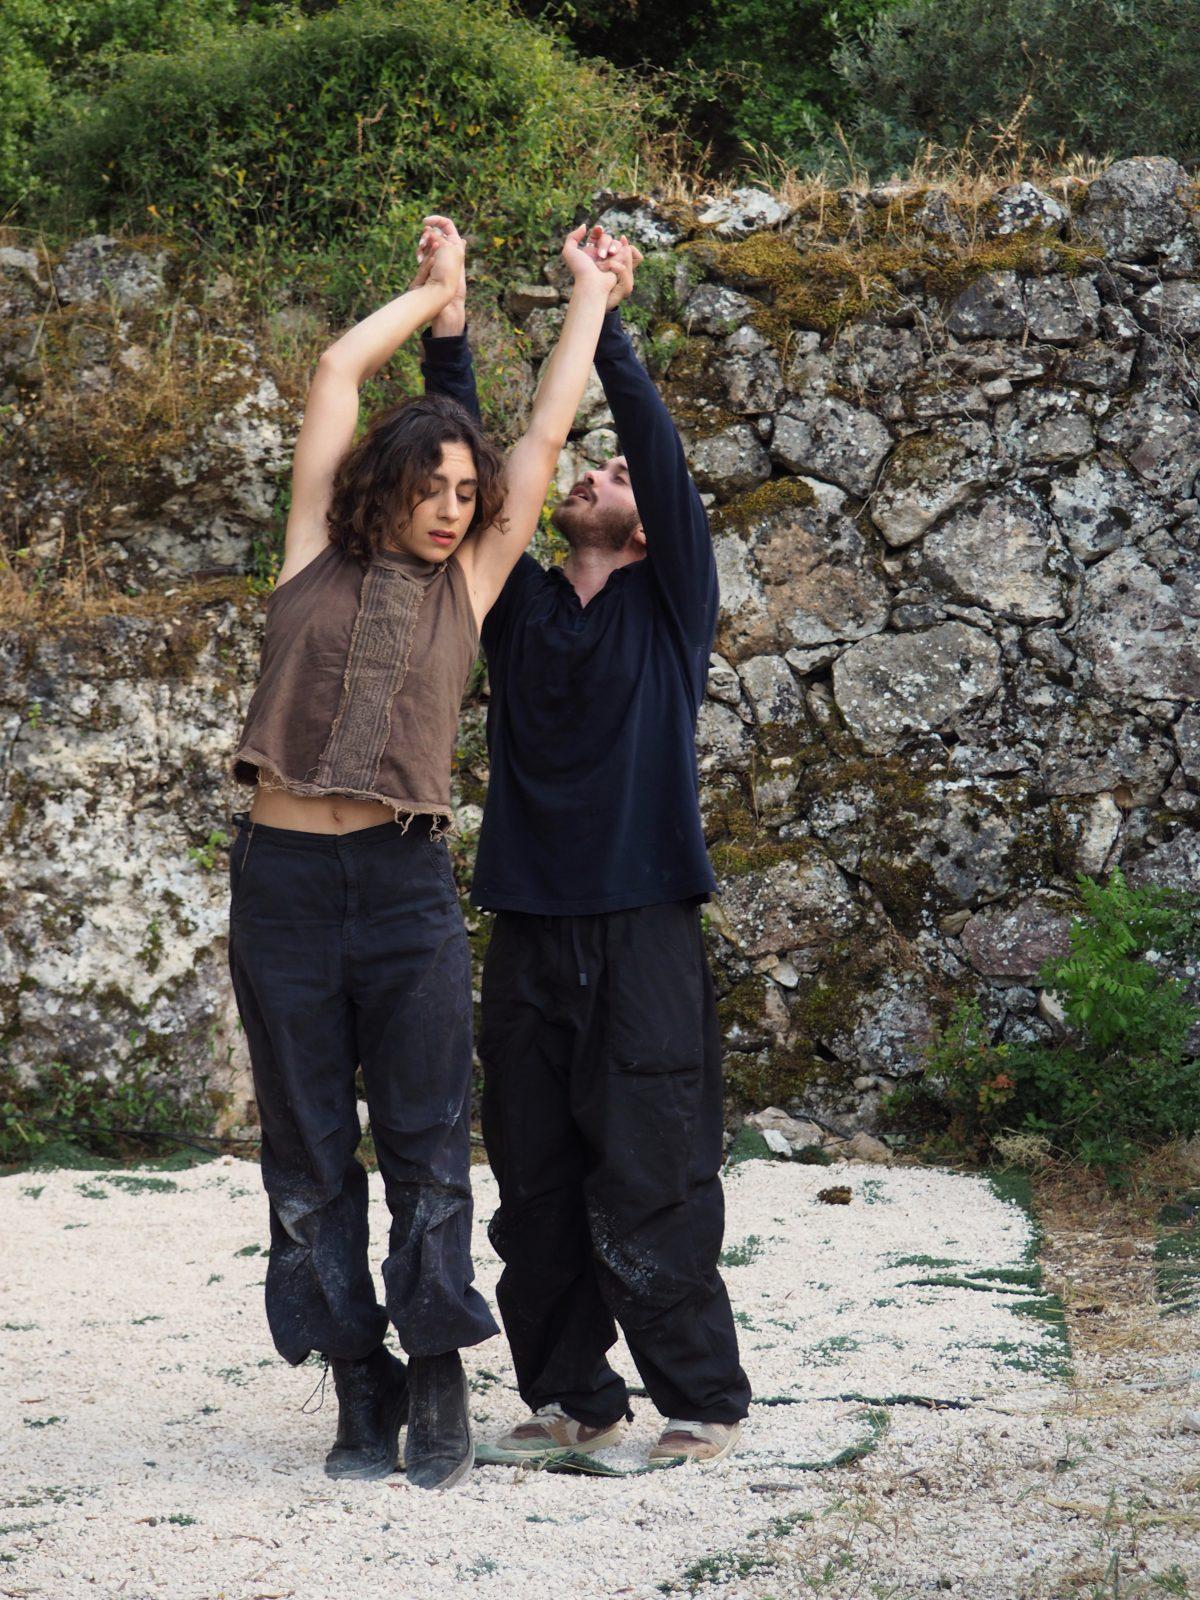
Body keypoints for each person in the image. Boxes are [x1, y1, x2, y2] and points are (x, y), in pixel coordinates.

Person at [226, 216, 626, 1490]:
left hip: (403, 890)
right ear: (383, 486)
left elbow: (549, 433)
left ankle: (440, 1366)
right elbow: (338, 376)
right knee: (302, 1151)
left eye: (470, 493)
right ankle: (360, 1380)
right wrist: (433, 294)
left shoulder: (474, 585)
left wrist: (590, 298)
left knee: (425, 1140)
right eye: (436, 487)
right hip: (282, 886)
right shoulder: (309, 558)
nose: (457, 508)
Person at [462, 246, 753, 1465]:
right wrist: (448, 329)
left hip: (642, 926)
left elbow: (663, 465)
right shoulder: (520, 604)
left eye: (616, 469)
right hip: (527, 922)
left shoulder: (669, 601)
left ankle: (699, 1404)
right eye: (593, 466)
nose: (598, 470)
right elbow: (481, 481)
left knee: (652, 1170)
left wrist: (615, 332)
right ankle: (574, 1395)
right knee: (531, 1182)